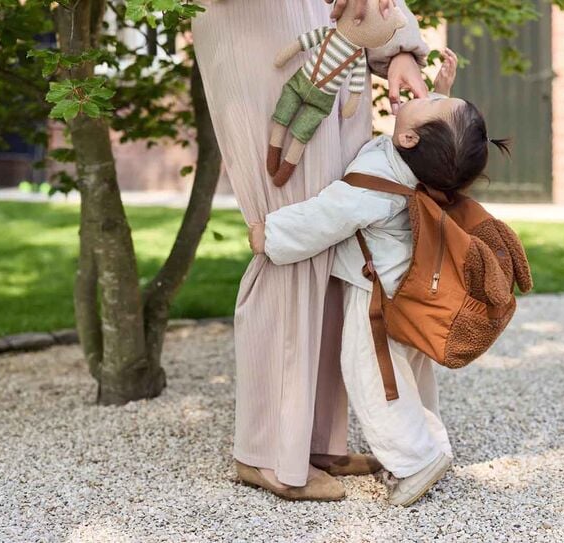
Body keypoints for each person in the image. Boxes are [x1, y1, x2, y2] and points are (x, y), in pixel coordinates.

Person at [248, 49, 511, 506]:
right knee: (409, 377)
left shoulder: (377, 181)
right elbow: (435, 144)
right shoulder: (422, 167)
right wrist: (442, 99)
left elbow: (325, 216)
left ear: (409, 138)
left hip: (380, 303)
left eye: (432, 101)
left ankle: (413, 461)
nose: (425, 91)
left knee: (375, 381)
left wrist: (269, 235)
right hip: (413, 296)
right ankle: (432, 447)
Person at [191, 0, 429, 501]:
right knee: (290, 229)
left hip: (334, 34)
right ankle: (269, 450)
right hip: (260, 24)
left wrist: (397, 49)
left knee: (335, 227)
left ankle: (315, 438)